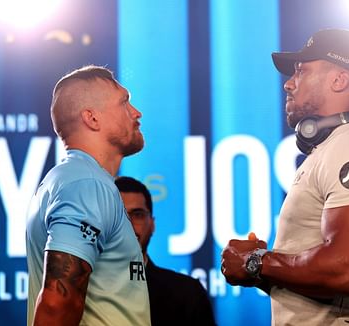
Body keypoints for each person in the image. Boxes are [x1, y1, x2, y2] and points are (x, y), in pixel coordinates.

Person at [220, 28, 349, 325]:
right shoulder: (334, 147)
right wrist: (260, 268)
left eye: (301, 71)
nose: (289, 84)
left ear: (339, 80)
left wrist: (257, 262)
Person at [26, 65, 150, 325]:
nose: (136, 113)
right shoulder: (87, 184)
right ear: (92, 118)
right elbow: (57, 303)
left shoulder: (70, 179)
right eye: (124, 102)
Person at [114, 176, 216, 326]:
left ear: (152, 224)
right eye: (117, 215)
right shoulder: (78, 289)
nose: (128, 225)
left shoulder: (187, 293)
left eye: (137, 215)